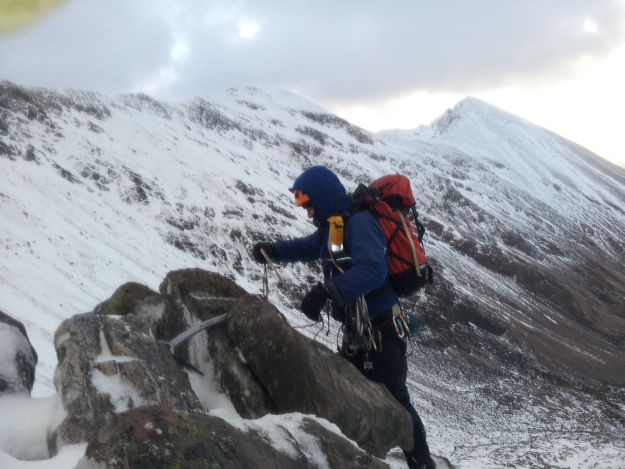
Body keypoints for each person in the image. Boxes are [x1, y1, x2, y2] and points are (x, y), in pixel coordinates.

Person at [251, 165, 435, 469]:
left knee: (397, 401)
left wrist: (327, 290)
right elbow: (308, 247)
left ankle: (423, 464)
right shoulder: (334, 225)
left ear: (323, 198)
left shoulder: (359, 224)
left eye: (310, 205)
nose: (309, 214)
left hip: (382, 330)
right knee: (355, 397)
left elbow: (374, 270)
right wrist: (273, 251)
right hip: (360, 331)